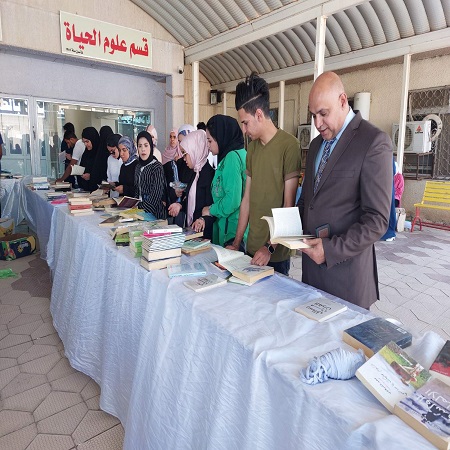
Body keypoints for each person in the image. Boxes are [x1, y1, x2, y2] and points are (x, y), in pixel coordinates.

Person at [297, 71, 392, 309]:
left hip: (346, 279)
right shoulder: (317, 144)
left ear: (342, 101)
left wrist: (330, 250)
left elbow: (377, 220)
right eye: (313, 115)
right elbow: (309, 200)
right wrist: (284, 230)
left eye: (323, 114)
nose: (317, 123)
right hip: (311, 275)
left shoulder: (373, 142)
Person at [228, 73, 301, 276]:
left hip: (275, 254)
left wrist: (270, 247)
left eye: (245, 123)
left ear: (259, 114)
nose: (243, 130)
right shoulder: (252, 148)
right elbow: (247, 200)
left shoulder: (289, 145)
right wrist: (236, 243)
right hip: (251, 248)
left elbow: (289, 206)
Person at [202, 114, 248, 248]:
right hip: (231, 228)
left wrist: (211, 210)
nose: (208, 146)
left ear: (221, 137)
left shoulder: (232, 158)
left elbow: (232, 200)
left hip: (232, 232)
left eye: (210, 141)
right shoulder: (238, 154)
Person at [168, 130, 215, 239]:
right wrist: (180, 205)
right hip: (191, 231)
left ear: (195, 150)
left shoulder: (210, 175)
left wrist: (203, 220)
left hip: (204, 235)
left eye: (185, 154)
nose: (184, 159)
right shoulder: (194, 173)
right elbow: (190, 200)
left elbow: (212, 208)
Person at [135, 131, 167, 219]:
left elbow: (156, 195)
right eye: (140, 146)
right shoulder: (138, 166)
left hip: (155, 214)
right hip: (138, 213)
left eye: (146, 145)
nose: (143, 149)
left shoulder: (157, 167)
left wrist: (138, 208)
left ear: (151, 146)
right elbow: (137, 192)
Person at [77, 127, 100, 192]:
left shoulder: (100, 154)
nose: (86, 144)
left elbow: (101, 173)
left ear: (93, 139)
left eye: (87, 141)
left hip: (97, 191)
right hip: (85, 189)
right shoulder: (86, 153)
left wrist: (91, 176)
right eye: (84, 142)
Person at [106, 133, 122, 198]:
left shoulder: (127, 159)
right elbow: (109, 177)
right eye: (109, 151)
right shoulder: (110, 159)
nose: (112, 154)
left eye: (113, 151)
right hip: (113, 195)